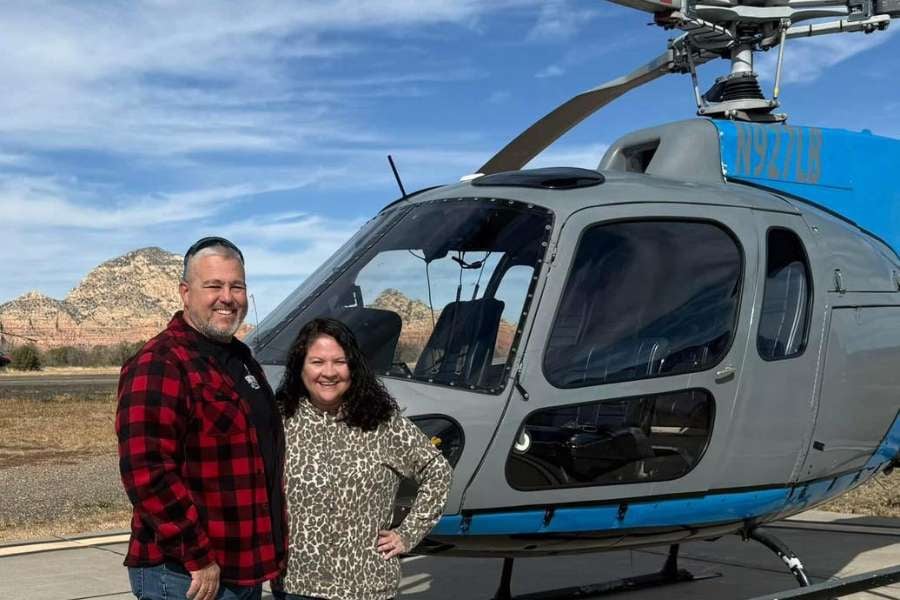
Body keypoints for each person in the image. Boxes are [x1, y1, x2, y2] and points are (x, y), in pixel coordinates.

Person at [116, 237, 286, 600]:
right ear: (185, 292)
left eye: (237, 286)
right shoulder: (160, 363)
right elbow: (147, 472)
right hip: (188, 575)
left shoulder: (242, 360)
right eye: (213, 286)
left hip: (243, 568)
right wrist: (197, 555)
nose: (227, 297)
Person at [273, 318, 452, 600]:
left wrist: (408, 533)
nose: (329, 372)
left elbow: (438, 471)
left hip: (367, 586)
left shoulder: (382, 422)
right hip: (296, 586)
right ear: (300, 367)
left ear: (353, 367)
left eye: (340, 362)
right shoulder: (280, 421)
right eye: (317, 362)